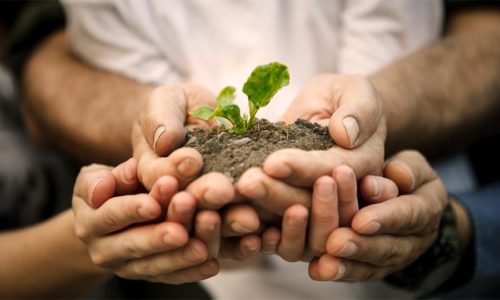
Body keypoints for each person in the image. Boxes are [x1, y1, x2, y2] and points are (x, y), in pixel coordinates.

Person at [4, 0, 500, 298]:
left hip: (413, 225)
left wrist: (371, 113)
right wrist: (153, 127)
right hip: (201, 280)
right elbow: (42, 49)